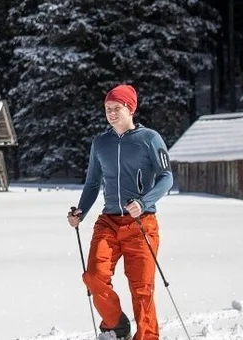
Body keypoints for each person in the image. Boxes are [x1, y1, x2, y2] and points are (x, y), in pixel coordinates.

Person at [67, 84, 175, 340]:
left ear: (130, 108)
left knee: (142, 289)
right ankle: (116, 324)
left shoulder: (150, 138)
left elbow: (167, 178)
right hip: (109, 222)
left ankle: (147, 336)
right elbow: (93, 183)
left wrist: (144, 201)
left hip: (141, 224)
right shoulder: (100, 143)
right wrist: (80, 212)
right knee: (94, 275)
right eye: (107, 109)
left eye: (116, 108)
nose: (111, 113)